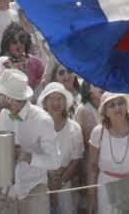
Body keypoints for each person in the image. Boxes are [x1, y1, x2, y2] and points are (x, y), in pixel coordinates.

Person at [0, 69, 60, 214]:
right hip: (7, 192)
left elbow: (55, 161)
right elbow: (0, 153)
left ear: (9, 98)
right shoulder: (4, 115)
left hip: (34, 191)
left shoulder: (42, 120)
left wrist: (29, 157)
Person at [37, 81, 83, 214]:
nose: (56, 103)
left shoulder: (75, 128)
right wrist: (49, 183)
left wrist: (60, 182)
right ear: (45, 103)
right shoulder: (37, 127)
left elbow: (76, 159)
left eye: (60, 98)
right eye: (51, 98)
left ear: (65, 102)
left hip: (66, 183)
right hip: (40, 183)